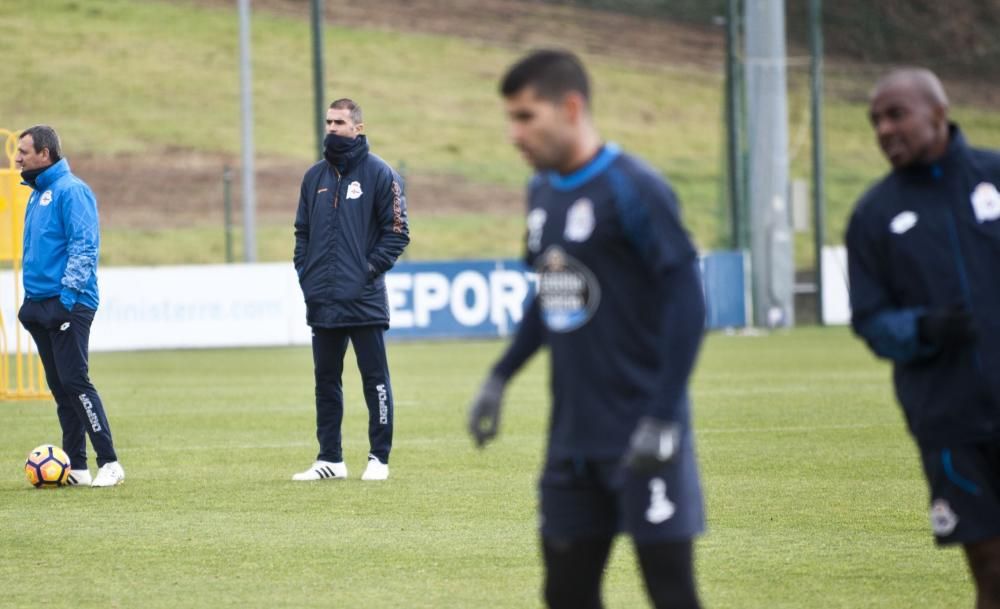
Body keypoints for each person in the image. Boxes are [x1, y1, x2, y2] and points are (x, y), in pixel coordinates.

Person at [468, 50, 706, 609]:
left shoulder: (634, 188)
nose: (513, 133)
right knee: (566, 594)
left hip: (643, 433)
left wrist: (665, 416)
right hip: (571, 443)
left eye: (526, 117)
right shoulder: (542, 193)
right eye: (510, 118)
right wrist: (500, 377)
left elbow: (688, 300)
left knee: (672, 593)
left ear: (570, 108)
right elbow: (552, 297)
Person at [846, 68, 1000, 608]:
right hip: (947, 417)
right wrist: (922, 330)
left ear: (939, 113)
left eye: (896, 115)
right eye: (875, 121)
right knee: (989, 564)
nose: (885, 129)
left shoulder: (994, 178)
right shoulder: (873, 216)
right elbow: (868, 318)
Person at [292, 98, 409, 482]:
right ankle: (330, 459)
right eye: (328, 121)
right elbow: (302, 233)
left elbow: (397, 233)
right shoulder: (314, 178)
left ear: (357, 127)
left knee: (374, 379)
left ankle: (379, 458)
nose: (332, 128)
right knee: (325, 381)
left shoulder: (380, 174)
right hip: (323, 299)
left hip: (364, 298)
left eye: (339, 122)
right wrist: (306, 274)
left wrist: (366, 272)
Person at [15, 125, 124, 488]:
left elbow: (84, 247)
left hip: (69, 303)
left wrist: (66, 298)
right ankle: (76, 466)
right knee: (61, 388)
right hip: (40, 304)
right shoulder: (37, 193)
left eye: (23, 151)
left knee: (76, 382)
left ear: (45, 154)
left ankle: (109, 462)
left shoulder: (72, 191)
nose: (16, 157)